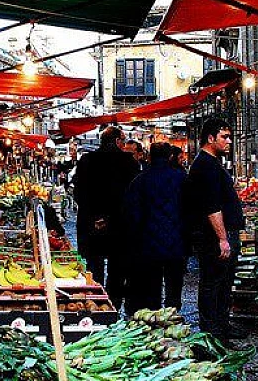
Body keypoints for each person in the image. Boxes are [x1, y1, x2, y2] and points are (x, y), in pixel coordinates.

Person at [182, 117, 246, 340]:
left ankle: (222, 324)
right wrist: (222, 238)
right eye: (224, 137)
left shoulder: (211, 163)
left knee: (224, 281)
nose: (229, 141)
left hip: (221, 233)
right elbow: (211, 206)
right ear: (210, 138)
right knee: (213, 282)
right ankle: (212, 330)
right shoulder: (205, 165)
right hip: (213, 236)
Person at [73, 126, 141, 307]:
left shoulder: (86, 160)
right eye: (124, 141)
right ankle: (113, 307)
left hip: (90, 225)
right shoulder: (130, 163)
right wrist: (109, 218)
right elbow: (130, 198)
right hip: (118, 228)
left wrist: (95, 217)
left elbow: (78, 192)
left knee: (93, 268)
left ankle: (94, 304)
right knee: (117, 271)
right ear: (118, 142)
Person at [124, 142, 187, 313]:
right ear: (170, 157)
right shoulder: (181, 178)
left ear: (149, 156)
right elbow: (189, 209)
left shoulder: (139, 180)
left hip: (148, 243)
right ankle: (173, 314)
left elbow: (132, 214)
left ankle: (154, 317)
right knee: (174, 284)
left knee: (152, 285)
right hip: (176, 241)